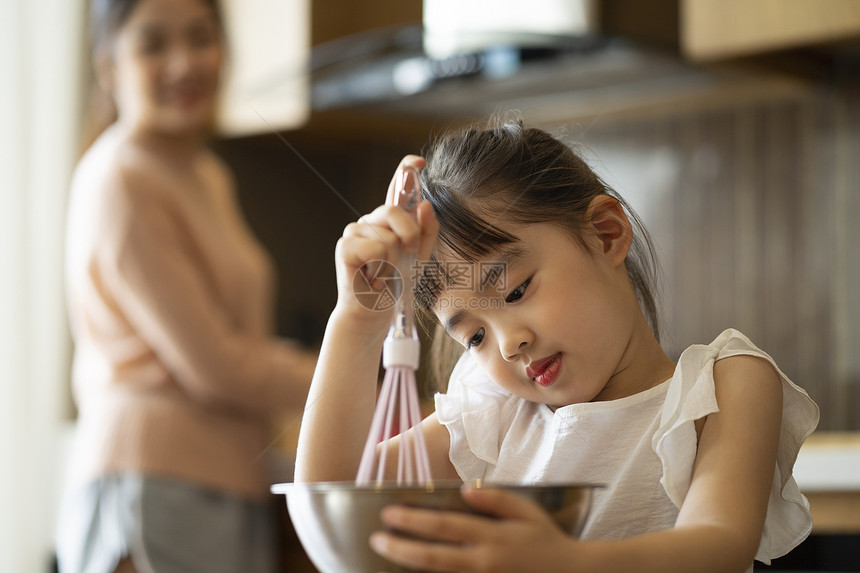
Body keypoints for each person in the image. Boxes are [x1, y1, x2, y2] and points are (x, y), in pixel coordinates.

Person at [294, 118, 820, 573]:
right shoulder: (496, 413)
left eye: (516, 291)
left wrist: (564, 563)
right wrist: (355, 322)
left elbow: (719, 547)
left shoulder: (726, 383)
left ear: (606, 234)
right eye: (474, 336)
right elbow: (333, 499)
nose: (508, 344)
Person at [56, 1, 318, 572]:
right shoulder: (122, 176)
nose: (183, 63)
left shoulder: (204, 174)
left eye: (200, 38)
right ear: (109, 67)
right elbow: (218, 364)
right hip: (154, 478)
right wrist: (349, 380)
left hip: (220, 478)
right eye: (153, 45)